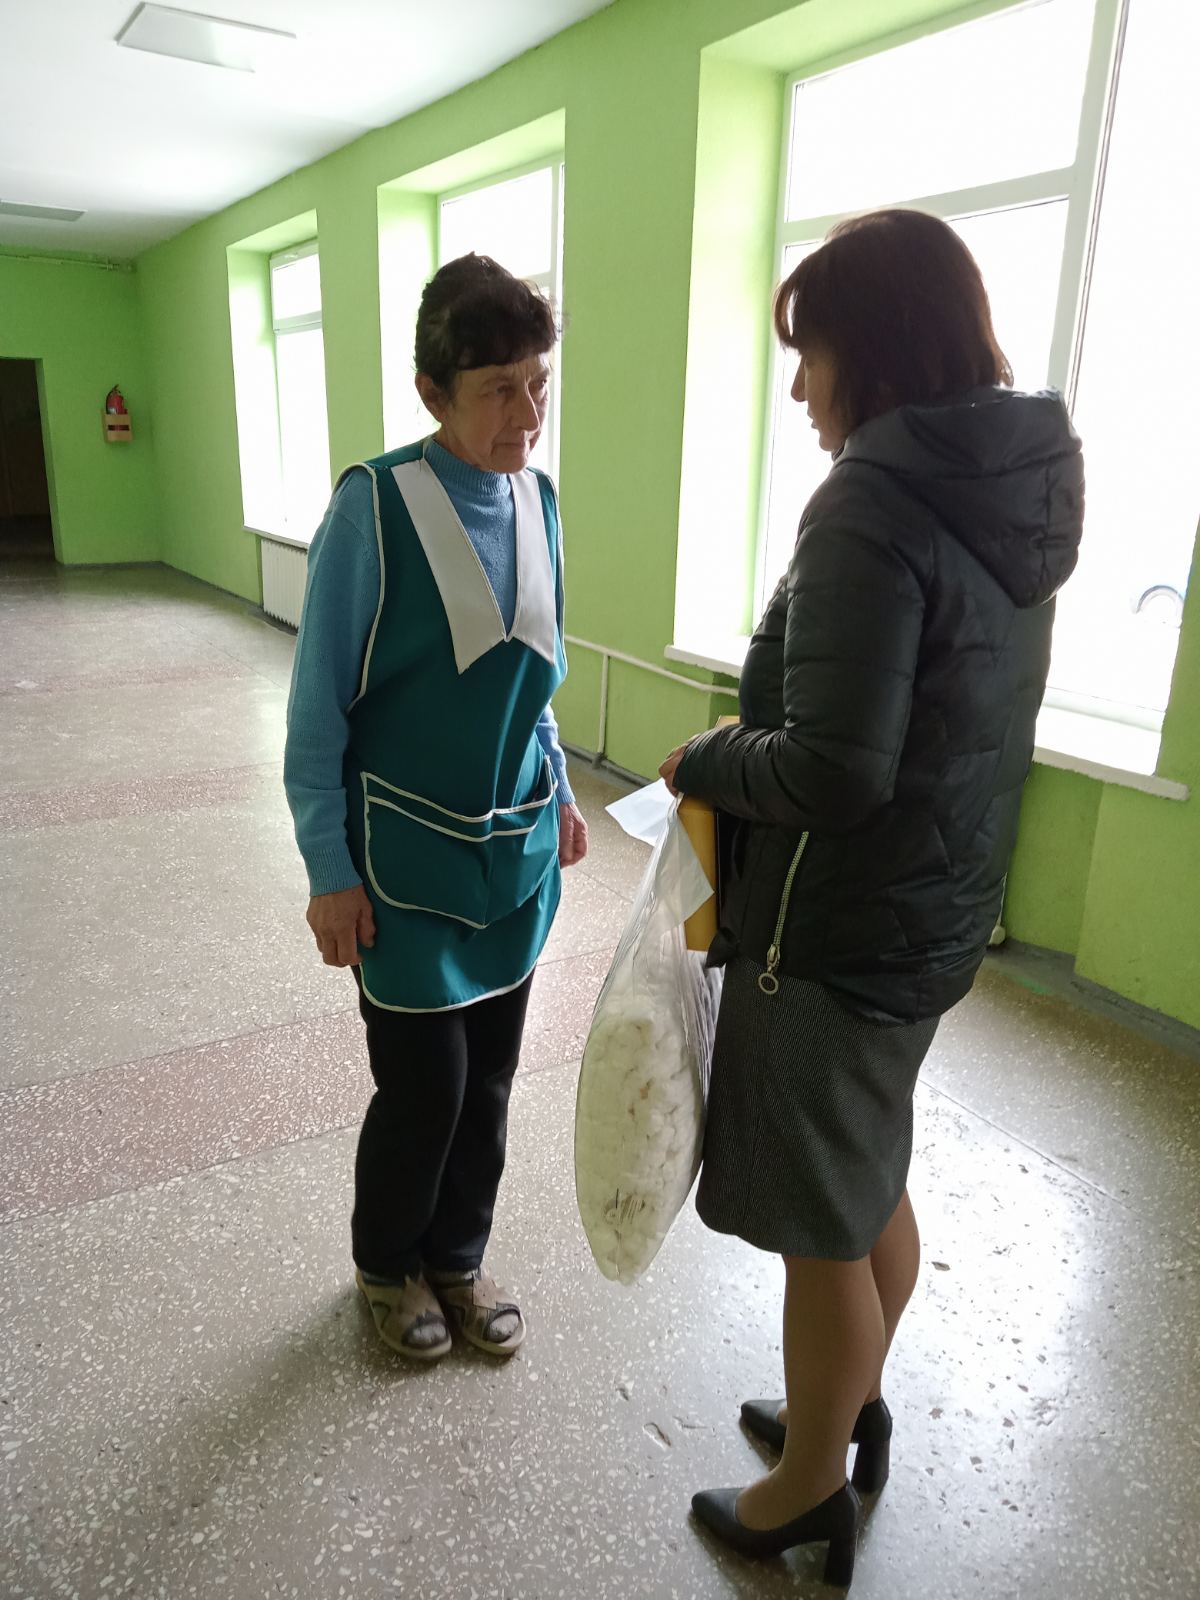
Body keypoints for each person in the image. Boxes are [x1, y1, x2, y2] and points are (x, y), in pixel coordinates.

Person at [659, 209, 1083, 1585]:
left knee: (819, 1228)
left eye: (814, 352)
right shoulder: (1006, 489)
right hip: (933, 912)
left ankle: (805, 1490)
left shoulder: (873, 501)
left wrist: (707, 759)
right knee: (867, 1173)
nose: (800, 387)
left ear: (878, 348)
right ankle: (847, 1409)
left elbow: (835, 769)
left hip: (837, 929)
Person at [284, 254, 588, 1364]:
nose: (528, 414)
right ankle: (386, 1264)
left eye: (538, 382)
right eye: (499, 389)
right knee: (427, 1086)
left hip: (513, 856)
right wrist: (329, 871)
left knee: (493, 1078)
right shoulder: (373, 507)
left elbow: (534, 684)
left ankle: (458, 1258)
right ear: (432, 392)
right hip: (403, 865)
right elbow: (317, 712)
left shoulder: (538, 502)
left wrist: (559, 790)